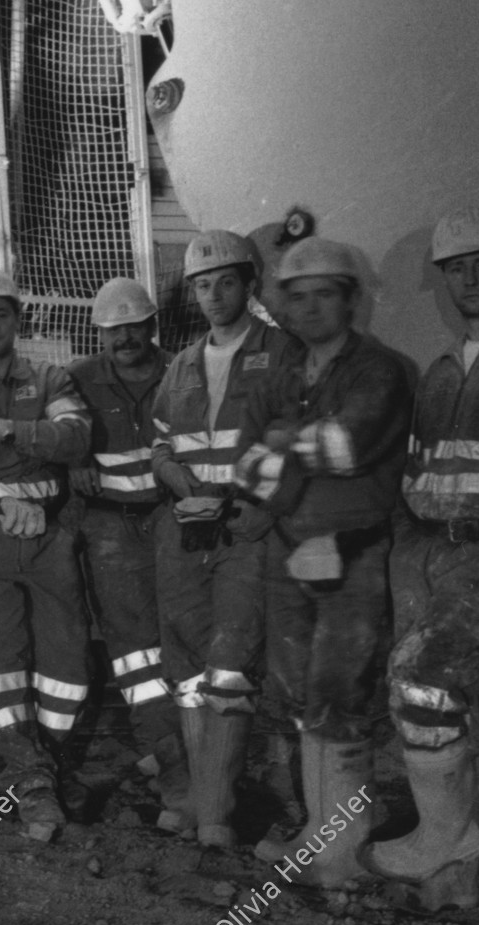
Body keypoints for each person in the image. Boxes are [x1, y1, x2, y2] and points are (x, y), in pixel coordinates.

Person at [235, 238, 411, 887]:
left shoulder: (379, 370)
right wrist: (290, 450)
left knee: (339, 696)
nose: (308, 308)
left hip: (350, 555)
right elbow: (245, 469)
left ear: (349, 299)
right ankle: (319, 831)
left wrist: (285, 446)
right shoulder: (281, 375)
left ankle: (343, 851)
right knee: (301, 696)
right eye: (296, 296)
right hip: (289, 553)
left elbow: (349, 445)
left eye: (323, 295)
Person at [363, 206, 479, 910]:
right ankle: (459, 864)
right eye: (456, 269)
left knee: (422, 684)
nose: (469, 279)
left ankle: (449, 841)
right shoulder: (445, 368)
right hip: (438, 554)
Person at [151, 230, 294, 849]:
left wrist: (258, 506)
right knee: (185, 668)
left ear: (250, 284)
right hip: (188, 529)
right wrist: (179, 483)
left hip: (247, 529)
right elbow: (160, 443)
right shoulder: (182, 364)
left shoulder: (282, 353)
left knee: (231, 668)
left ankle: (214, 812)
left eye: (225, 282)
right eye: (202, 286)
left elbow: (298, 439)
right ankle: (207, 800)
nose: (213, 295)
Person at [0, 269, 92, 842]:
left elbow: (76, 438)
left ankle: (43, 765)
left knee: (68, 658)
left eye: (2, 313)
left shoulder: (51, 375)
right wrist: (12, 487)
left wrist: (4, 430)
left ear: (18, 318)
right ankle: (31, 778)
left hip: (50, 529)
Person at [68, 278, 191, 829]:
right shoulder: (77, 380)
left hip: (173, 520)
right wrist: (72, 459)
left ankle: (187, 749)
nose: (125, 338)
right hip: (112, 529)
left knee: (185, 637)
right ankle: (174, 769)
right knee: (136, 652)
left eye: (134, 326)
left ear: (151, 327)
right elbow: (57, 431)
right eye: (114, 329)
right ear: (101, 334)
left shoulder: (183, 370)